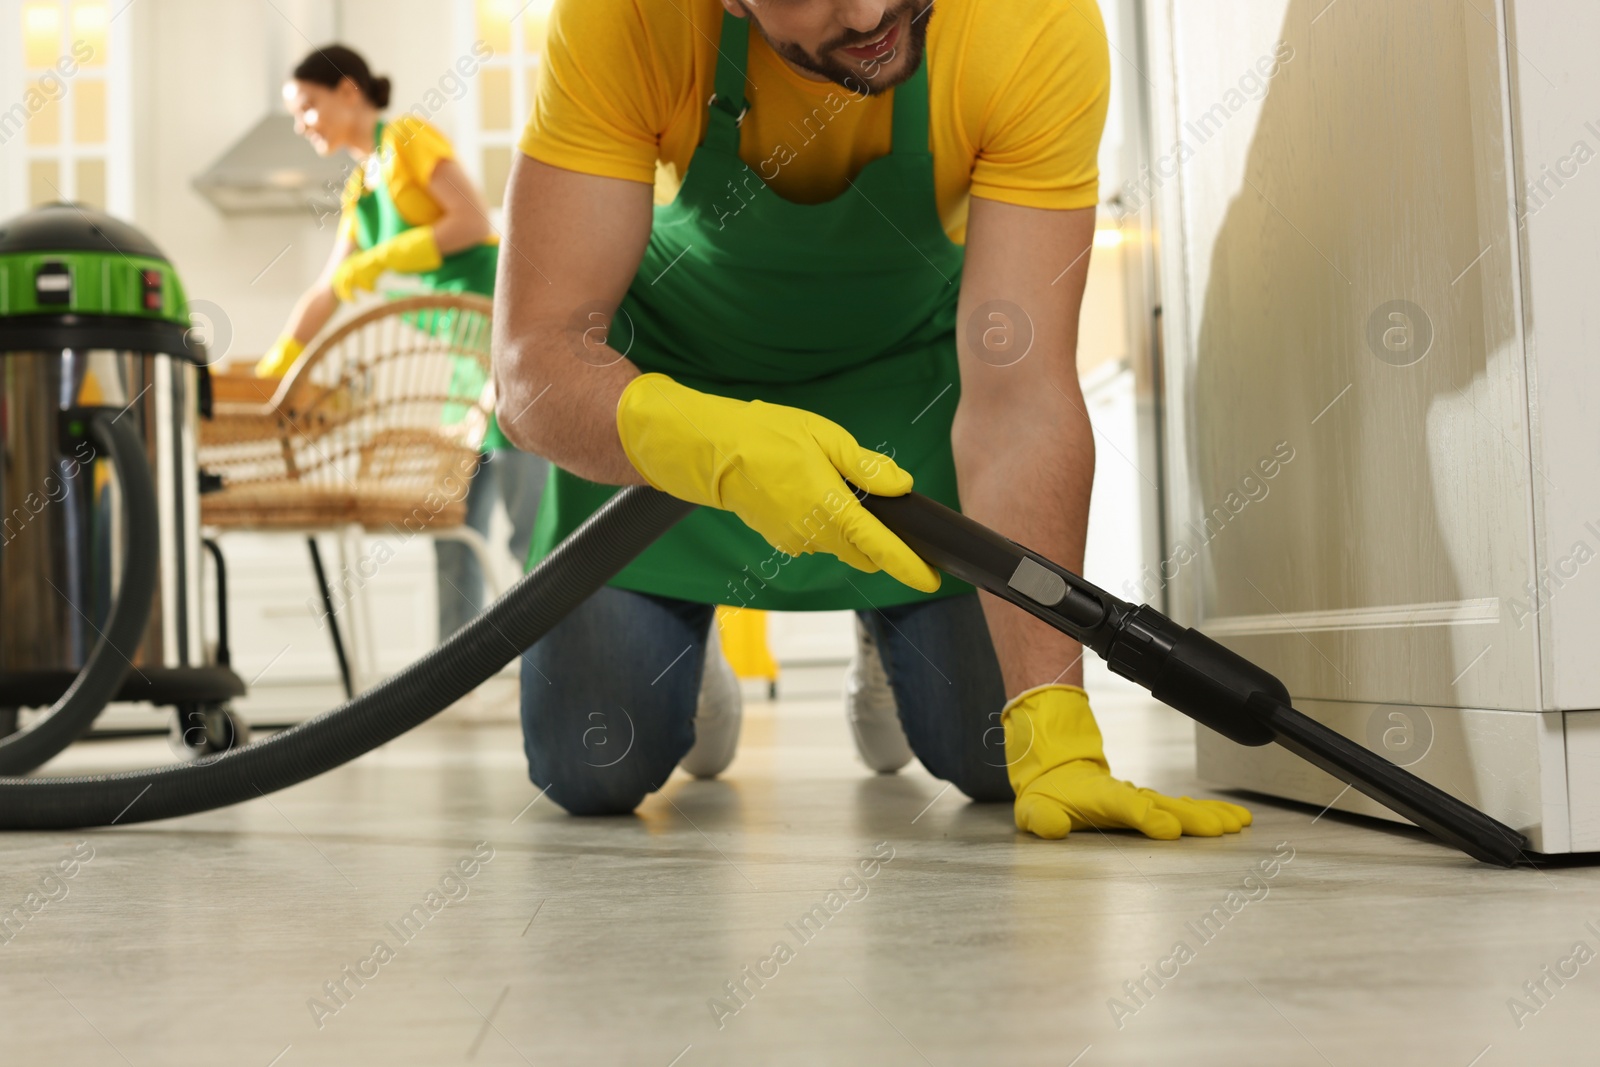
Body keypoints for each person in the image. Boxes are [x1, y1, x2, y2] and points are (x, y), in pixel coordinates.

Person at [495, 0, 1253, 842]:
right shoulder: (625, 18)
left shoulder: (1031, 23)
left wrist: (1057, 715)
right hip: (680, 395)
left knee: (998, 756)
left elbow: (1021, 396)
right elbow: (533, 364)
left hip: (902, 396)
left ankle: (882, 634)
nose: (868, 12)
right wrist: (708, 446)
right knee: (590, 764)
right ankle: (688, 635)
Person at [260, 44, 550, 641]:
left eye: (308, 106)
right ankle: (458, 674)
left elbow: (472, 219)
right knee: (451, 524)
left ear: (348, 92)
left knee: (531, 528)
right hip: (464, 369)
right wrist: (278, 366)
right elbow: (326, 290)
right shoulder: (360, 190)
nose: (301, 123)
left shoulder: (408, 140)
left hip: (506, 344)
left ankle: (554, 662)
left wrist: (395, 253)